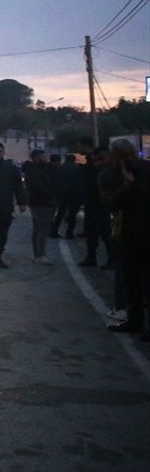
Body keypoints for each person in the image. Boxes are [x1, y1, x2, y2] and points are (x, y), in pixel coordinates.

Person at [101, 140, 150, 341]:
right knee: (131, 281)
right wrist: (126, 187)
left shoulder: (147, 169)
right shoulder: (108, 176)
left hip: (147, 233)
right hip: (127, 234)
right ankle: (135, 320)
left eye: (131, 154)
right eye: (124, 155)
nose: (130, 158)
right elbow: (109, 204)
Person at [79, 146, 115, 268]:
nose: (98, 163)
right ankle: (91, 257)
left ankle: (112, 259)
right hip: (93, 207)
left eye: (101, 159)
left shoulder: (116, 172)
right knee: (91, 234)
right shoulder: (91, 171)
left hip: (106, 208)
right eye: (95, 160)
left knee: (107, 235)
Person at [22, 149, 56, 263]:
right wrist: (50, 196)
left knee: (37, 229)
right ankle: (40, 255)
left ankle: (37, 255)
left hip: (37, 202)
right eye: (43, 156)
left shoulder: (35, 170)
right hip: (41, 202)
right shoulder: (35, 171)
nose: (46, 158)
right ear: (37, 157)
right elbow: (39, 187)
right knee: (43, 229)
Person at [50, 153, 81, 239]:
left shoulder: (60, 168)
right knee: (72, 215)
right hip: (74, 194)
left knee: (60, 213)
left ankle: (54, 231)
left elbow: (56, 182)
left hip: (62, 194)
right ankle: (69, 233)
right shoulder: (77, 168)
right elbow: (80, 181)